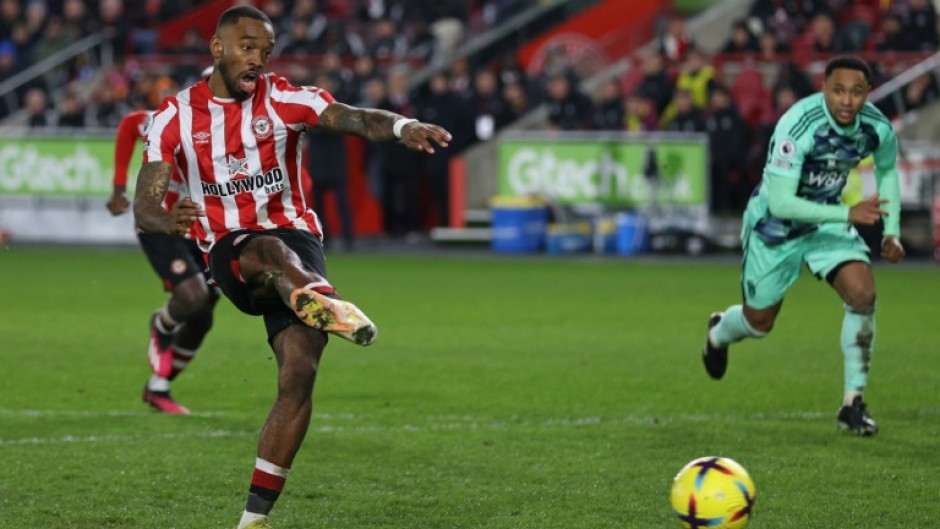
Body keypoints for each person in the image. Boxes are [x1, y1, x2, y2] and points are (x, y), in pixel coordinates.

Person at [131, 7, 451, 529]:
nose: (257, 58)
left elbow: (355, 118)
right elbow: (145, 201)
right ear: (217, 48)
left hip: (298, 237)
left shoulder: (283, 98)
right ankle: (321, 299)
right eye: (247, 46)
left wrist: (403, 125)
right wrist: (166, 218)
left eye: (265, 50)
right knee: (269, 254)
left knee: (300, 369)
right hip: (230, 251)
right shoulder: (174, 117)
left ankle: (253, 517)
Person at [701, 56, 905, 437]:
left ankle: (852, 404)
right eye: (838, 90)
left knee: (863, 294)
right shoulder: (798, 125)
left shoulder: (875, 127)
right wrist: (848, 215)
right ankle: (719, 331)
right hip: (775, 229)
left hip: (825, 222)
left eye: (856, 92)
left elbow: (888, 168)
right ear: (824, 89)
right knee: (759, 323)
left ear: (867, 94)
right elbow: (780, 203)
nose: (846, 101)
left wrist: (892, 231)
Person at [107, 108, 218, 415]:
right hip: (161, 224)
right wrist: (118, 189)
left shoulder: (245, 129)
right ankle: (162, 323)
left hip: (203, 230)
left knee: (203, 314)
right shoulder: (175, 118)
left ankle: (158, 386)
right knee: (193, 296)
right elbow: (131, 123)